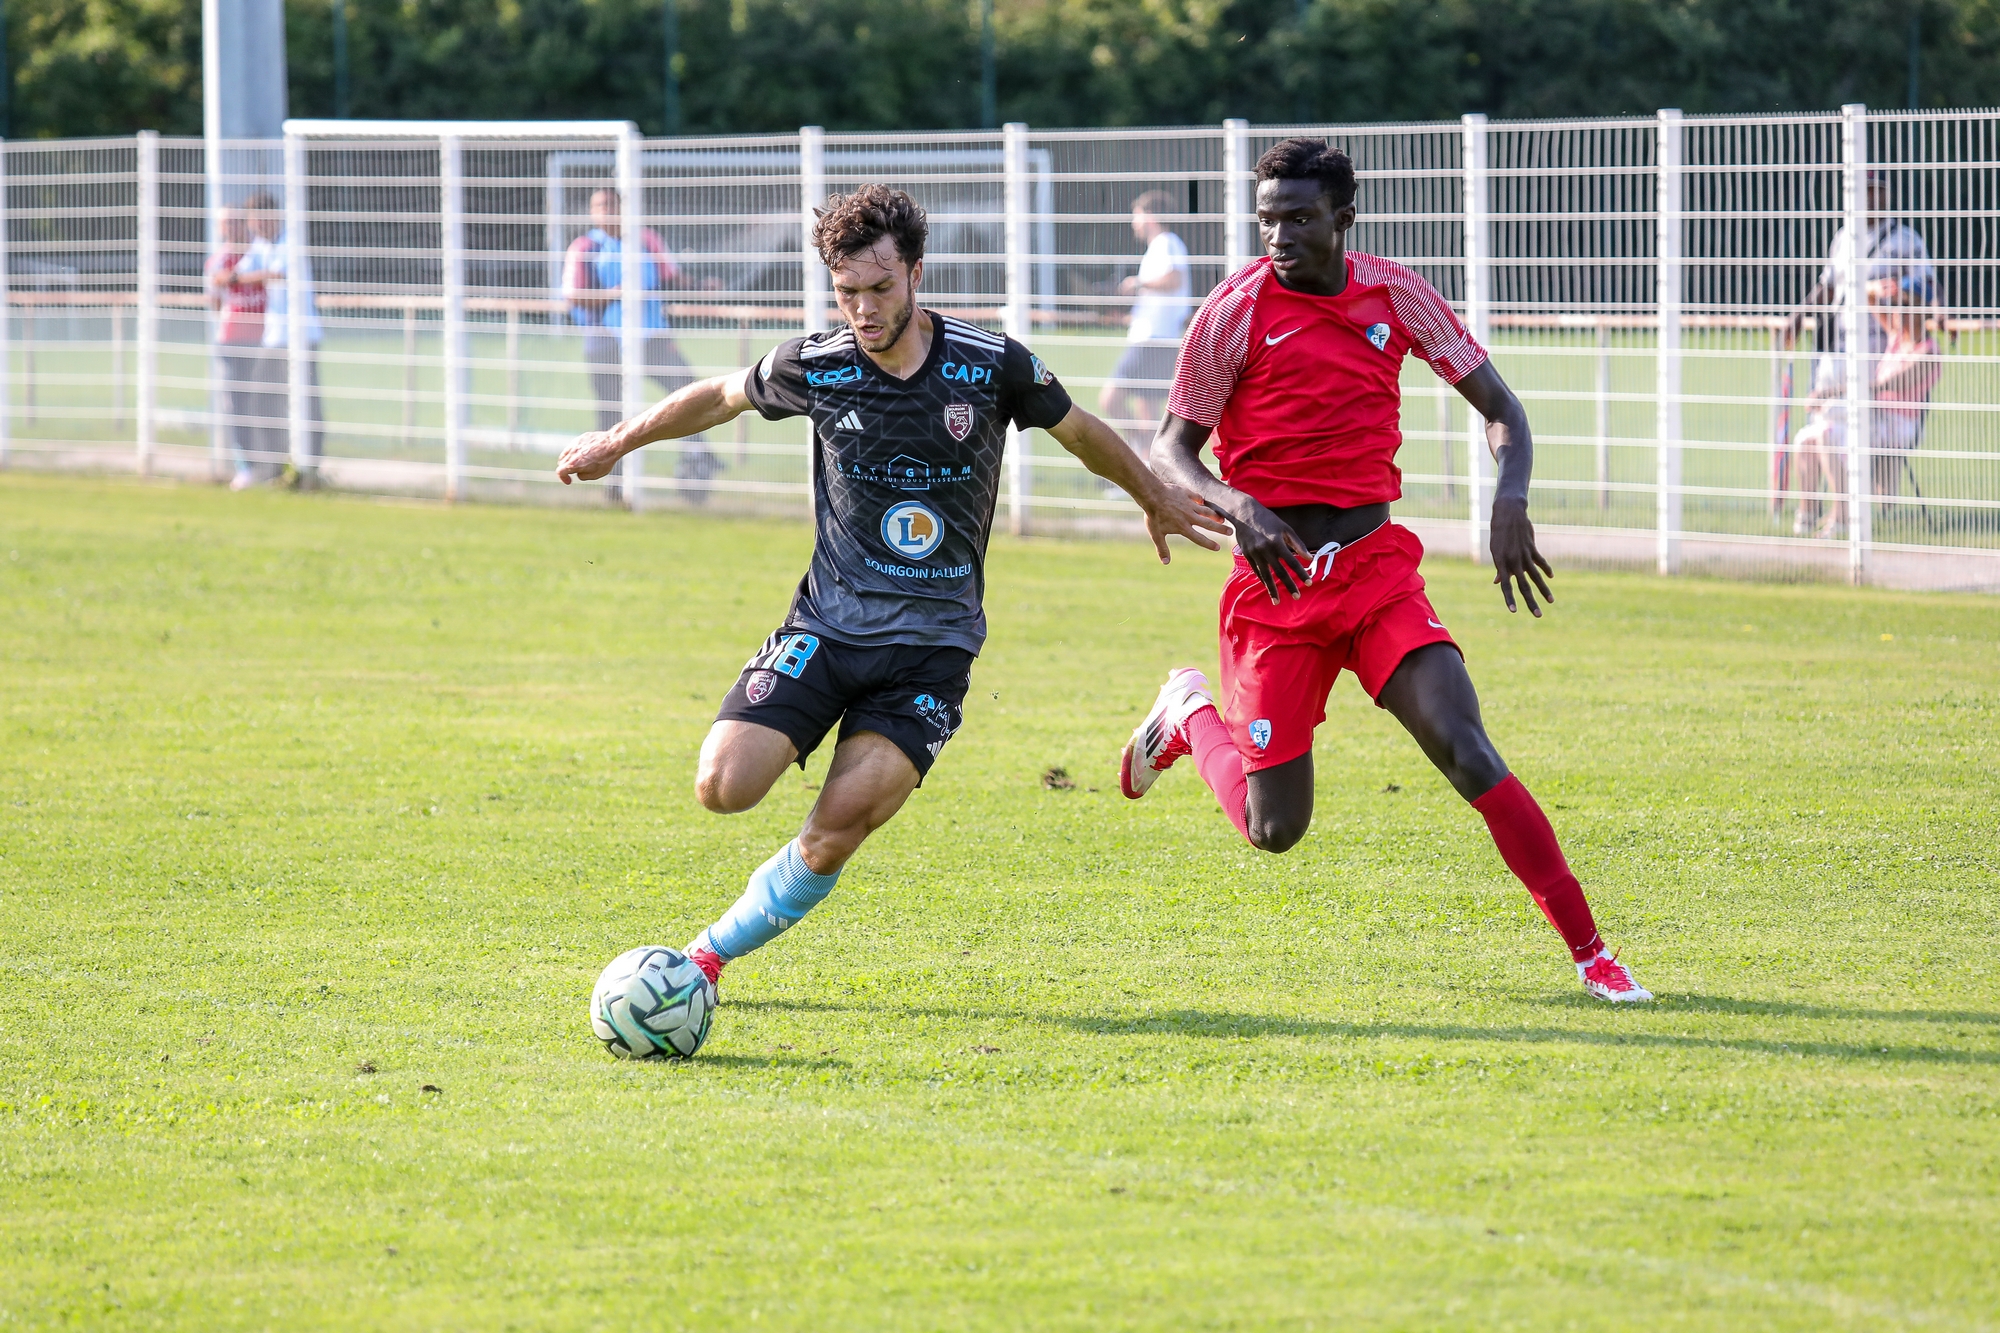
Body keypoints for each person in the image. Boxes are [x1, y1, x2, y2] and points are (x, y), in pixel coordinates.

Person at [555, 186, 1225, 991]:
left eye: (880, 288)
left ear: (915, 273)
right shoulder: (819, 364)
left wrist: (1153, 495)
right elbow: (721, 395)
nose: (865, 310)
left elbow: (1080, 430)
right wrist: (617, 442)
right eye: (848, 292)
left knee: (835, 830)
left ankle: (705, 958)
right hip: (826, 630)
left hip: (930, 654)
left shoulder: (990, 364)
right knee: (722, 787)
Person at [1116, 138, 1652, 1003]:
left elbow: (1502, 408)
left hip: (1375, 574)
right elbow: (1170, 449)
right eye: (1268, 220)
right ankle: (1188, 712)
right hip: (1277, 589)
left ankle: (1594, 955)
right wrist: (1239, 504)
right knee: (1274, 829)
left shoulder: (1397, 293)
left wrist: (1510, 498)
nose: (1280, 236)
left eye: (1299, 218)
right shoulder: (1231, 312)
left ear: (1344, 218)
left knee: (1468, 750)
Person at [1783, 169, 1941, 528]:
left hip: (1877, 351)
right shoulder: (1843, 238)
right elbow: (1828, 285)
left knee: (1842, 424)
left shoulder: (1906, 240)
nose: (1870, 198)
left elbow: (1928, 285)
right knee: (1820, 425)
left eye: (1876, 190)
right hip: (1840, 346)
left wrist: (1937, 311)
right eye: (1864, 191)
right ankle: (1813, 515)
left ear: (1887, 194)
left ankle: (1854, 514)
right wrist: (1798, 314)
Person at [561, 187, 718, 502]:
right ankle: (615, 489)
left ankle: (697, 462)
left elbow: (673, 278)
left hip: (652, 337)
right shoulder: (585, 247)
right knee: (610, 414)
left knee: (688, 393)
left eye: (611, 204)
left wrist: (702, 287)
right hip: (606, 341)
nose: (605, 210)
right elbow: (572, 295)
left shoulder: (646, 240)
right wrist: (615, 294)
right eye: (599, 205)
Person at [1791, 278, 1943, 538]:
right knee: (1806, 439)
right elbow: (1865, 296)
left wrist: (1831, 393)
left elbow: (1886, 385)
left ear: (1920, 311)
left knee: (1828, 433)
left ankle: (1843, 518)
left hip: (1898, 426)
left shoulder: (1927, 353)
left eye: (1905, 305)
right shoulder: (1896, 338)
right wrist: (1875, 288)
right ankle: (1807, 515)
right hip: (1873, 417)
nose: (1897, 311)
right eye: (1895, 304)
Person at [236, 192, 325, 487]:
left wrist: (239, 278)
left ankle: (308, 470)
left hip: (301, 335)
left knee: (307, 402)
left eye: (256, 220)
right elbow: (241, 271)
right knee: (263, 399)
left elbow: (276, 274)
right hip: (275, 337)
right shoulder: (261, 245)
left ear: (270, 217)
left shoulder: (290, 242)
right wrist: (229, 276)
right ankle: (273, 469)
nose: (253, 227)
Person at [1097, 191, 1192, 451]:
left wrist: (1137, 283)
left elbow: (1174, 280)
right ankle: (1147, 461)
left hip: (1154, 339)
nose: (1133, 223)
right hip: (1152, 337)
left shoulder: (1167, 243)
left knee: (1110, 399)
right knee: (1147, 411)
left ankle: (1139, 449)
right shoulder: (1158, 247)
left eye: (1136, 215)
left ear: (1150, 216)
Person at [202, 205, 275, 490]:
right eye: (227, 223)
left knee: (267, 401)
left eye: (236, 221)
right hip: (233, 341)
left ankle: (272, 465)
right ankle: (245, 467)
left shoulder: (260, 252)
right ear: (221, 228)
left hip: (264, 340)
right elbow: (215, 301)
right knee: (238, 405)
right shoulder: (218, 260)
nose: (233, 227)